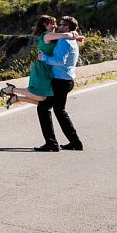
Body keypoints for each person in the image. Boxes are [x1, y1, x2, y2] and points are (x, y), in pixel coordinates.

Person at [0, 16, 82, 109]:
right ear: (44, 25)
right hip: (42, 67)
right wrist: (74, 34)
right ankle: (12, 90)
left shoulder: (54, 36)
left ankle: (16, 98)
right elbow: (65, 35)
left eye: (56, 23)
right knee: (41, 96)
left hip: (49, 67)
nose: (55, 26)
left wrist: (75, 35)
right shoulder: (47, 35)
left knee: (43, 99)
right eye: (52, 24)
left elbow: (63, 37)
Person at [34, 15, 84, 152]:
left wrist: (44, 57)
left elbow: (60, 61)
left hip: (60, 81)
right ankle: (75, 142)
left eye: (61, 24)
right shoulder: (70, 39)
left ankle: (51, 143)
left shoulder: (64, 41)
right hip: (66, 80)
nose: (58, 27)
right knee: (59, 111)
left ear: (67, 27)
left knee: (43, 108)